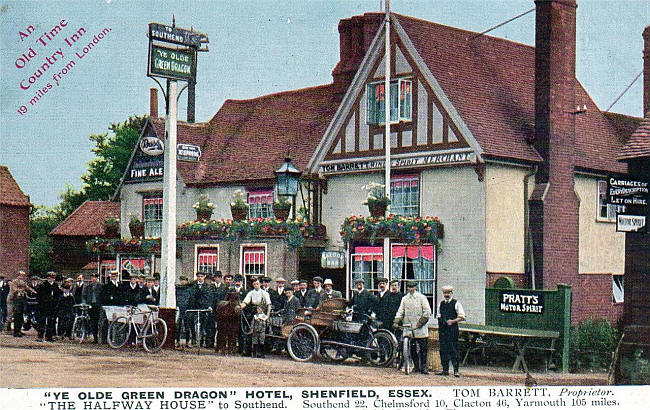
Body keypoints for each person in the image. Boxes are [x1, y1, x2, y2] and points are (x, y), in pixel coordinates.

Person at [393, 281, 431, 374]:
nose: (410, 289)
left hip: (420, 328)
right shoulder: (404, 299)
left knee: (423, 349)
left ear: (415, 287)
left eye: (412, 287)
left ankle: (424, 367)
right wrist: (396, 321)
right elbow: (400, 311)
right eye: (409, 287)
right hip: (409, 327)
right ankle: (416, 367)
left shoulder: (422, 298)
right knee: (412, 348)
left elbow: (427, 312)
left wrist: (420, 323)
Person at [437, 285, 465, 377]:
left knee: (453, 349)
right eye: (445, 293)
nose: (446, 295)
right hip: (443, 330)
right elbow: (438, 315)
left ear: (451, 293)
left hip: (452, 330)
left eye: (448, 293)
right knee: (443, 349)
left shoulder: (456, 303)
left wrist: (452, 321)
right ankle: (445, 370)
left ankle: (456, 370)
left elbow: (461, 316)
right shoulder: (441, 304)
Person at [239, 277, 271, 356]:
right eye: (254, 284)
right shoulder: (251, 293)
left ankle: (261, 352)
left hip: (262, 312)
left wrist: (267, 315)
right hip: (253, 311)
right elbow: (245, 302)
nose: (256, 285)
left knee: (261, 333)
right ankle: (248, 351)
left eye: (257, 284)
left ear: (260, 284)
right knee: (250, 331)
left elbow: (269, 305)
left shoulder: (264, 293)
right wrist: (240, 307)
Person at [191, 272, 215, 348]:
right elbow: (191, 296)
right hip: (195, 307)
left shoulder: (208, 286)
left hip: (204, 308)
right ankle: (195, 340)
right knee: (193, 323)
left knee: (205, 324)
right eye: (198, 276)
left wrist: (209, 306)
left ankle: (204, 341)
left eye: (201, 276)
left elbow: (210, 297)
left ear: (204, 277)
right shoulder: (193, 285)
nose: (200, 278)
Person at [37, 271, 62, 341]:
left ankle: (49, 336)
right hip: (44, 306)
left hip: (52, 306)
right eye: (50, 277)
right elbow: (39, 296)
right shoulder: (43, 285)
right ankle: (40, 336)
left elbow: (58, 295)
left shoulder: (56, 286)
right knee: (42, 321)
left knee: (51, 321)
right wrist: (41, 304)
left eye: (53, 277)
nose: (52, 279)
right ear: (47, 278)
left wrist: (56, 303)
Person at [81, 272, 102, 343]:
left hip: (98, 305)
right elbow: (84, 296)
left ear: (97, 278)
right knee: (93, 321)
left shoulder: (101, 286)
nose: (94, 279)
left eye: (95, 277)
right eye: (92, 277)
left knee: (100, 321)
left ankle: (101, 337)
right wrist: (84, 303)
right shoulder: (87, 287)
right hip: (91, 305)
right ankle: (95, 337)